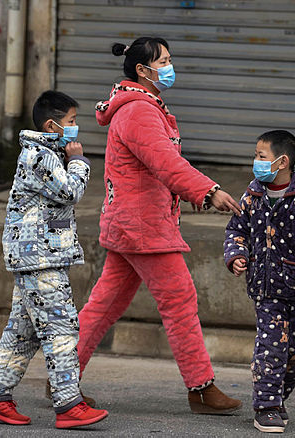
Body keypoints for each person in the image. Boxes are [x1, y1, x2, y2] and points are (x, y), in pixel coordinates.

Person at [75, 37, 244, 414]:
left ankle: (64, 380)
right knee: (179, 301)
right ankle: (201, 388)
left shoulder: (140, 107)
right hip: (143, 227)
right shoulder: (139, 112)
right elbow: (165, 163)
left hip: (134, 223)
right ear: (142, 70)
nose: (169, 66)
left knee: (104, 305)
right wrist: (208, 191)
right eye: (164, 61)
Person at [0, 90, 109, 430]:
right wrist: (79, 161)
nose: (74, 129)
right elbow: (70, 192)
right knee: (62, 328)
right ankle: (69, 404)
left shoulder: (42, 153)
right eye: (71, 122)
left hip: (35, 255)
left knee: (23, 331)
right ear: (52, 125)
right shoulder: (41, 156)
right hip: (41, 258)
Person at [223, 130, 295, 433]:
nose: (255, 162)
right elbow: (236, 229)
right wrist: (236, 255)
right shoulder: (253, 195)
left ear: (282, 162)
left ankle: (276, 396)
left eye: (261, 157)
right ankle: (267, 405)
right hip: (266, 288)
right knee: (271, 347)